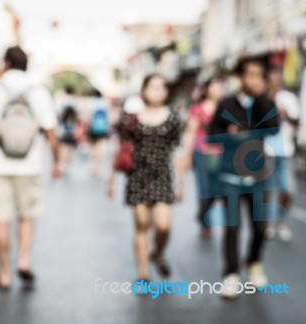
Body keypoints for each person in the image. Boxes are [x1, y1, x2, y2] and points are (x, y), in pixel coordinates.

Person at [0, 46, 61, 291]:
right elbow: (51, 132)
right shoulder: (39, 92)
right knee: (27, 215)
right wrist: (57, 162)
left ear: (7, 62)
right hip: (30, 165)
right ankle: (24, 258)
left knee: (0, 218)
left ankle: (4, 274)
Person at [208, 57, 279, 299]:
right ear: (240, 76)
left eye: (259, 75)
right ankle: (231, 274)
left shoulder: (266, 103)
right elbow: (212, 136)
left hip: (259, 175)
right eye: (250, 74)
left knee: (260, 226)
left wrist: (260, 99)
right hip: (230, 175)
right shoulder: (226, 104)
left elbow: (274, 128)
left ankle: (254, 262)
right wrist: (229, 134)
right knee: (232, 226)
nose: (254, 79)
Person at [108, 74, 182, 281]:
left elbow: (178, 150)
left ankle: (158, 254)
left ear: (166, 92)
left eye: (161, 87)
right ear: (143, 91)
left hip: (162, 176)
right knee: (141, 225)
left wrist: (181, 182)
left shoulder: (173, 118)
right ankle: (143, 273)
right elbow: (121, 149)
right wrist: (112, 179)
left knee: (163, 226)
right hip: (138, 176)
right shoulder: (132, 119)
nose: (156, 91)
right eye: (152, 87)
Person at [182, 77, 224, 239]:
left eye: (220, 86)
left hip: (221, 152)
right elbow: (190, 133)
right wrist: (187, 156)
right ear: (207, 89)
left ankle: (202, 213)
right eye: (215, 86)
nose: (218, 89)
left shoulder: (225, 107)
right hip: (202, 152)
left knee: (218, 188)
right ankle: (206, 222)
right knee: (205, 188)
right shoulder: (197, 109)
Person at [265, 70, 299, 242]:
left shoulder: (288, 98)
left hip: (286, 151)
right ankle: (269, 223)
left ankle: (280, 221)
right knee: (269, 190)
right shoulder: (262, 99)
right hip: (267, 150)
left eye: (277, 80)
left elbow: (297, 121)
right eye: (272, 80)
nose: (275, 83)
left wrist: (284, 113)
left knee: (289, 189)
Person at [88, 89, 110, 177]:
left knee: (93, 148)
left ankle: (93, 166)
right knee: (100, 147)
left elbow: (88, 116)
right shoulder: (105, 103)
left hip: (93, 128)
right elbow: (109, 117)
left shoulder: (91, 102)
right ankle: (98, 167)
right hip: (103, 128)